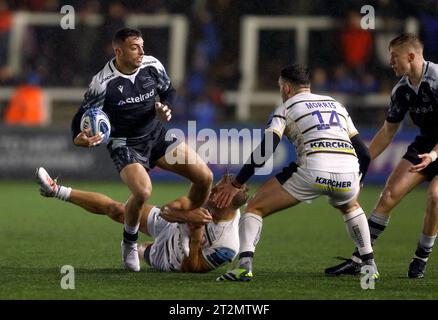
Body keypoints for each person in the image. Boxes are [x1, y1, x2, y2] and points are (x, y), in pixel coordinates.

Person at [213, 64, 377, 281]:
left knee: (254, 207)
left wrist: (237, 183)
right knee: (350, 206)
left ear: (287, 88)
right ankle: (369, 265)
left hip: (313, 169)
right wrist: (359, 180)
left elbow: (265, 150)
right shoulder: (336, 105)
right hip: (349, 171)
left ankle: (244, 266)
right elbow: (364, 154)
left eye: (280, 87)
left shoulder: (286, 108)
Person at [71, 28, 213, 272]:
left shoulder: (152, 65)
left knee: (205, 177)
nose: (142, 52)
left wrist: (166, 106)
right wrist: (78, 138)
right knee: (143, 191)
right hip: (125, 144)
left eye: (142, 46)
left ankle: (185, 223)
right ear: (119, 51)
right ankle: (129, 242)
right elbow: (79, 119)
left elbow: (169, 90)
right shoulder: (102, 83)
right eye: (135, 47)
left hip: (156, 136)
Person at [325, 33, 438, 279]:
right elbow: (388, 132)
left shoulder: (437, 79)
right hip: (425, 145)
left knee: (435, 197)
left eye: (394, 57)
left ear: (411, 56)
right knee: (389, 195)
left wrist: (434, 154)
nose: (391, 63)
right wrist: (359, 163)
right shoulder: (402, 90)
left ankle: (421, 258)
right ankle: (359, 258)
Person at [36, 167, 247, 273]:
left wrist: (194, 238)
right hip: (174, 225)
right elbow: (166, 211)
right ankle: (56, 190)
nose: (213, 190)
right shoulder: (205, 201)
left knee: (141, 251)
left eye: (218, 189)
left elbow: (191, 269)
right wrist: (187, 216)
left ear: (224, 201)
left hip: (171, 257)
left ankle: (139, 249)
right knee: (120, 210)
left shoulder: (228, 245)